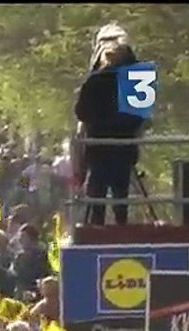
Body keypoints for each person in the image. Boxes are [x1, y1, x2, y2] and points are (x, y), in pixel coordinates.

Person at [75, 39, 147, 225]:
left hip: (98, 145)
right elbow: (140, 116)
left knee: (97, 188)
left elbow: (81, 112)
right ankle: (120, 223)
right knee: (120, 189)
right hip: (123, 145)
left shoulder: (94, 81)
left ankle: (96, 223)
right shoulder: (135, 83)